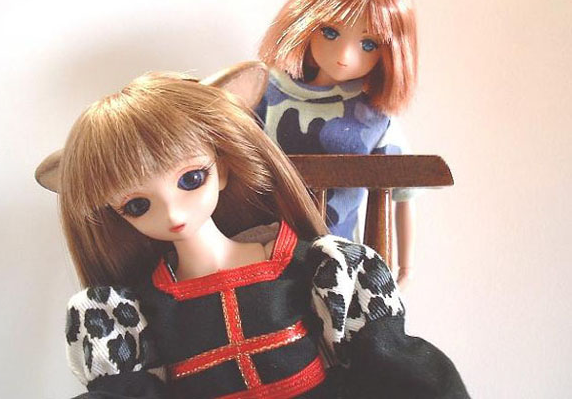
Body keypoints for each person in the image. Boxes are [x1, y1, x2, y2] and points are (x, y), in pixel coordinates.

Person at [37, 62, 468, 398]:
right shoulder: (133, 310)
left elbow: (389, 364)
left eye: (191, 179)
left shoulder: (318, 268)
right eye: (137, 205)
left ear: (223, 170)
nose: (172, 212)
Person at [258, 0, 418, 288]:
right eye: (330, 32)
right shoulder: (266, 92)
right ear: (303, 22)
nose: (345, 55)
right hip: (265, 255)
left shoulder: (373, 116)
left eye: (368, 44)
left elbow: (402, 192)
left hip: (341, 263)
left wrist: (404, 265)